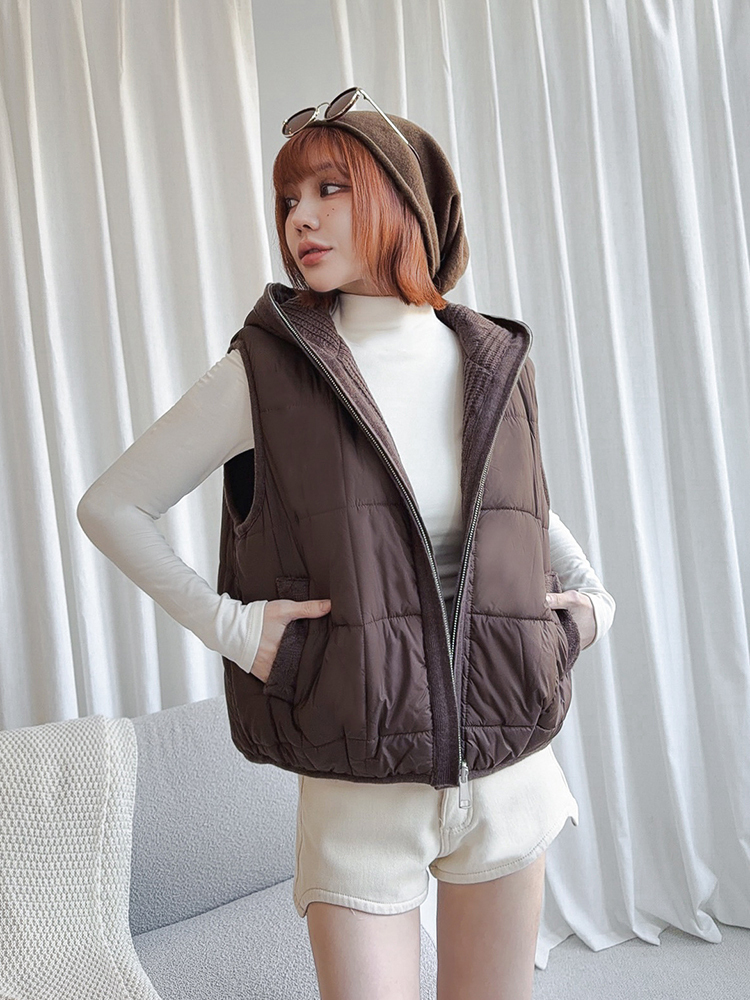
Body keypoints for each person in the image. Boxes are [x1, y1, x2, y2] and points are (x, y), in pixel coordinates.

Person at [78, 88, 615, 1000]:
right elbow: (112, 506)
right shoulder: (266, 370)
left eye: (331, 189)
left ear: (406, 204)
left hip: (510, 773)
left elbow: (521, 509)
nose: (301, 218)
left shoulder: (491, 356)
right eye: (290, 198)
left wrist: (591, 606)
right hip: (357, 784)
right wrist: (235, 631)